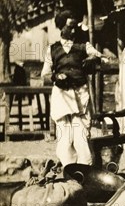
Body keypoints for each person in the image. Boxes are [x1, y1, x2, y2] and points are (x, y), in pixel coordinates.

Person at [41, 10, 107, 166]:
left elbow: (101, 57)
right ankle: (68, 170)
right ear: (61, 27)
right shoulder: (52, 49)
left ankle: (85, 171)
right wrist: (56, 77)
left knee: (82, 134)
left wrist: (93, 58)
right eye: (70, 26)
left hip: (80, 94)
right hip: (62, 96)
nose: (74, 30)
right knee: (64, 136)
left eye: (75, 26)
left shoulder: (83, 46)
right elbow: (45, 74)